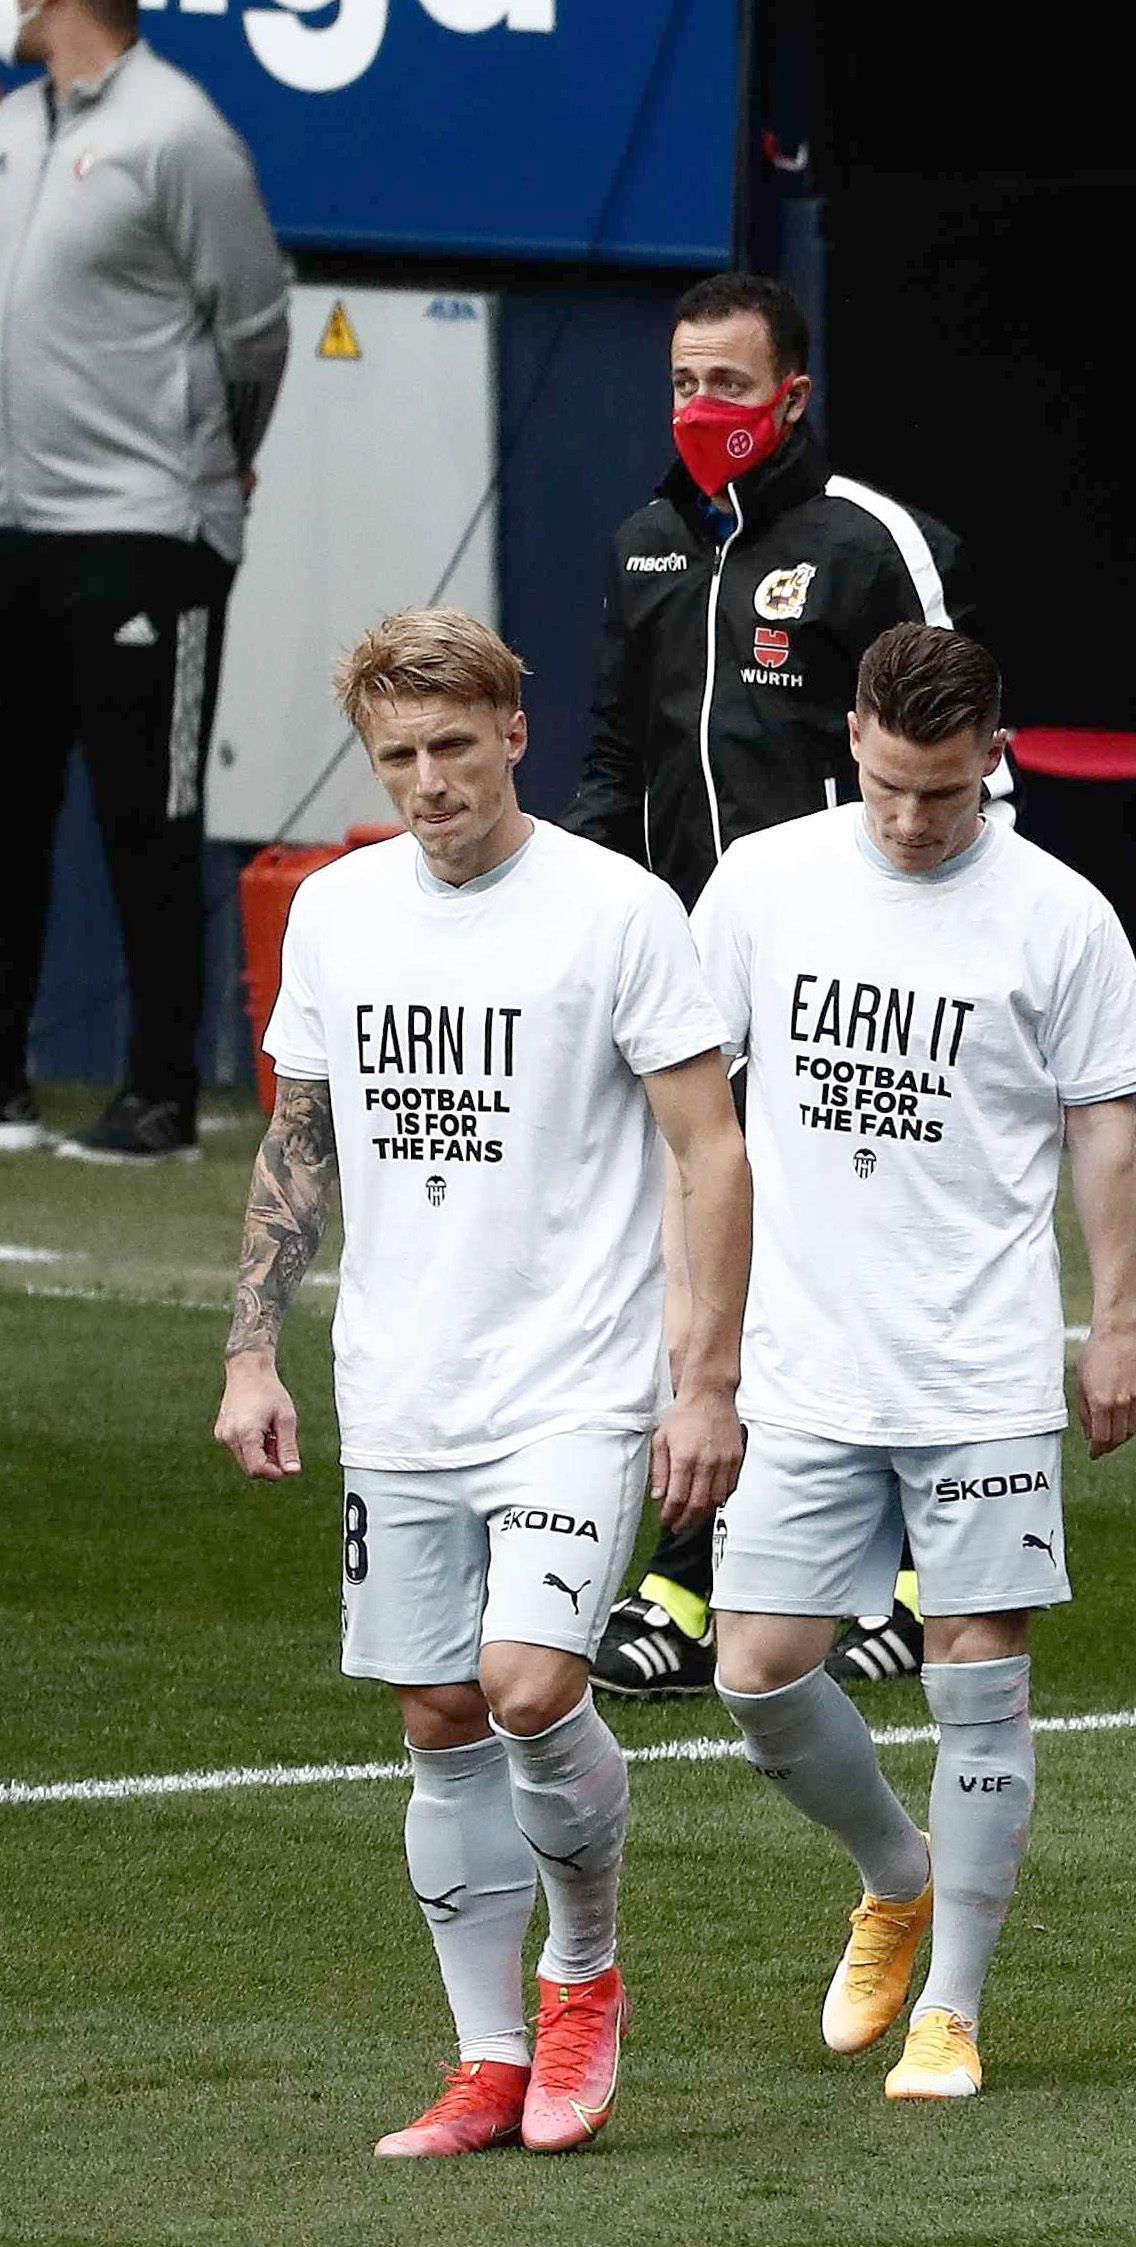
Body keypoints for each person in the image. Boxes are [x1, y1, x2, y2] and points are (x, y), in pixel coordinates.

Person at [213, 609, 750, 2157]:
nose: (430, 781)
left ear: (516, 728)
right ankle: (485, 2054)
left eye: (456, 745)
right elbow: (298, 1140)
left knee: (528, 1681)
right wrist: (253, 1345)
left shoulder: (619, 909)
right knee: (440, 1711)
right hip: (401, 1384)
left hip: (578, 1380)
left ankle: (583, 1967)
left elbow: (712, 1150)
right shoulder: (334, 911)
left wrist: (702, 1382)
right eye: (399, 756)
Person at [698, 623, 1136, 2102]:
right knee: (756, 1668)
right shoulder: (764, 884)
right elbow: (695, 1124)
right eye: (895, 785)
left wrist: (1116, 1320)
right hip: (804, 1363)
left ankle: (951, 2006)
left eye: (947, 793)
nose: (915, 819)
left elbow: (1104, 1126)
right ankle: (893, 1871)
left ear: (992, 760)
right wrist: (691, 1354)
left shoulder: (1058, 913)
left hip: (980, 1367)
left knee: (983, 1674)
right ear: (852, 738)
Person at [570, 270, 984, 1702]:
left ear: (791, 394)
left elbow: (972, 740)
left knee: (883, 1247)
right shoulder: (641, 546)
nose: (703, 410)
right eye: (684, 384)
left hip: (861, 970)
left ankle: (928, 1563)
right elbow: (612, 761)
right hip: (693, 964)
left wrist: (968, 951)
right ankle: (697, 1557)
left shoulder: (873, 542)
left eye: (730, 386)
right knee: (702, 1258)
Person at [0, 0, 287, 1162]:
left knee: (146, 815)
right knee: (12, 809)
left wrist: (213, 462)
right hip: (16, 526)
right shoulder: (16, 126)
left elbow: (255, 331)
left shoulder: (181, 133)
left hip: (146, 528)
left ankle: (160, 1093)